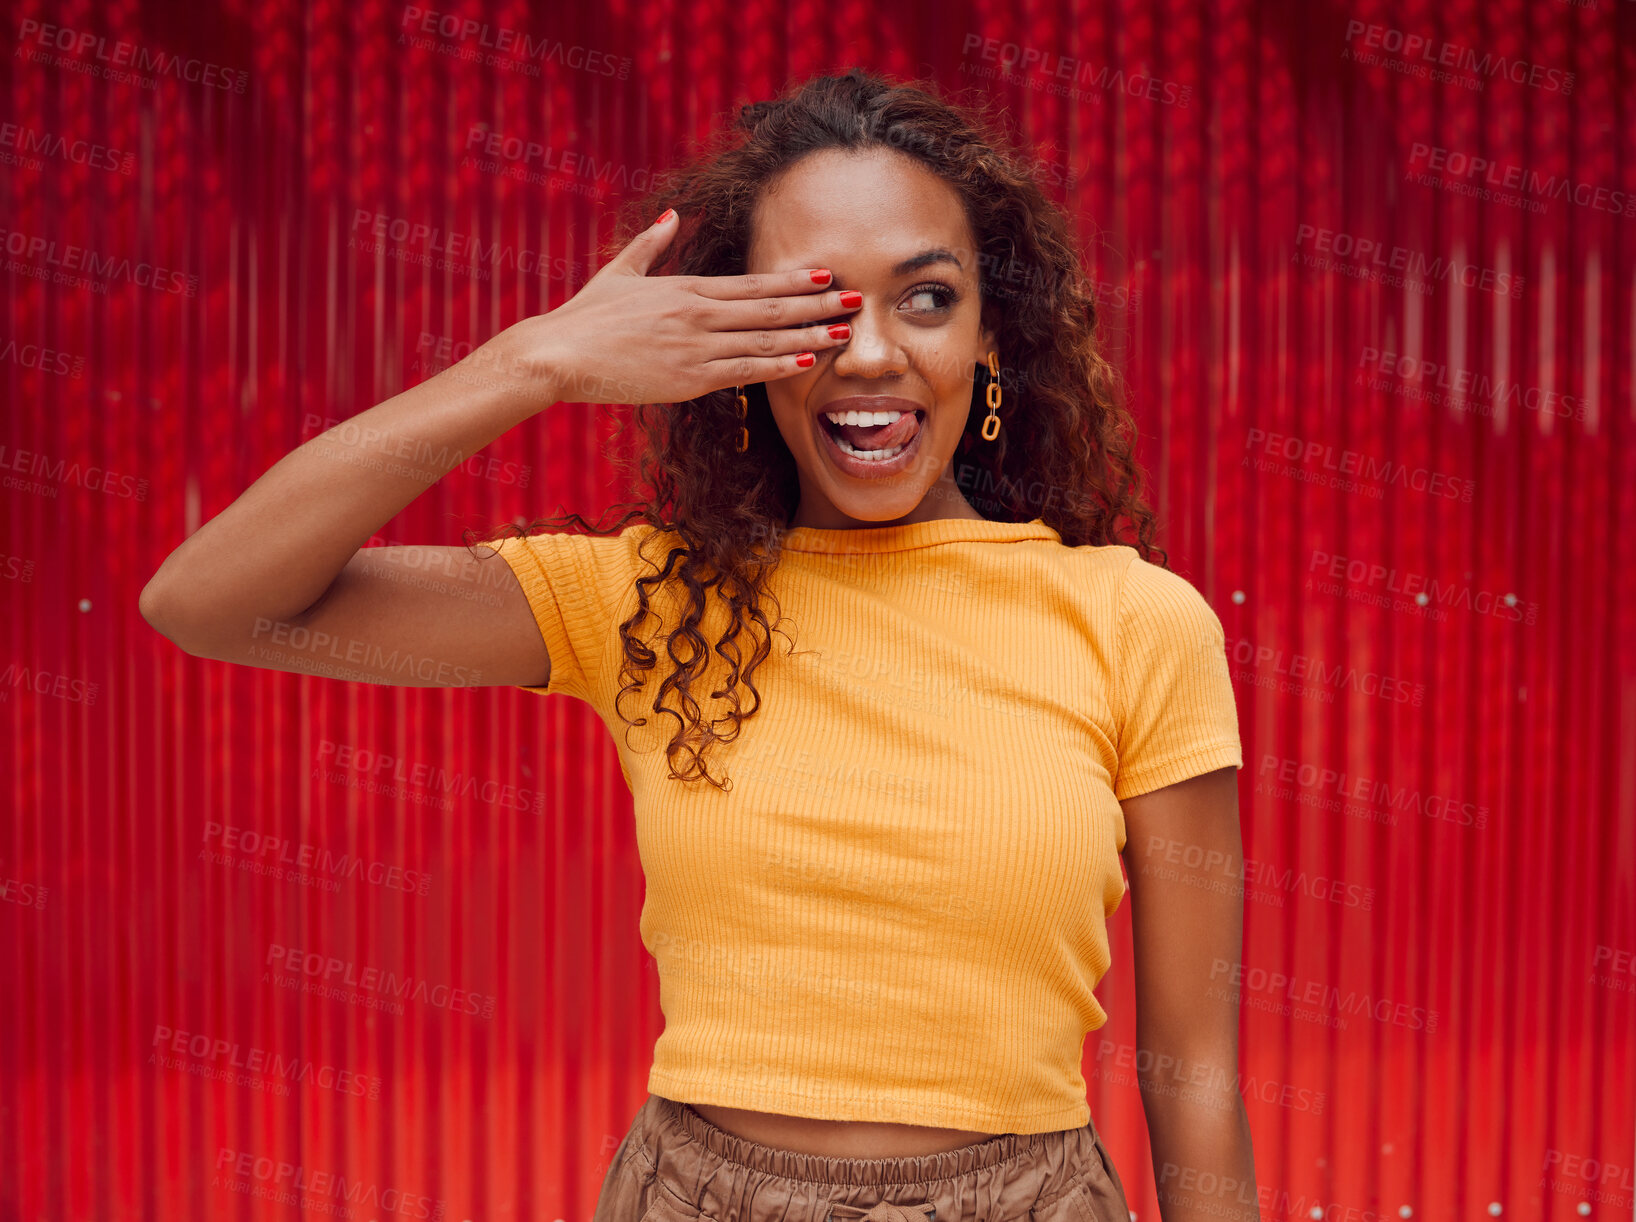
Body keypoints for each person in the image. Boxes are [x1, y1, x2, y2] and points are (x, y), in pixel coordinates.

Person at [140, 68, 1256, 1222]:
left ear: (990, 338)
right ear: (732, 340)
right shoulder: (651, 598)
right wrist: (533, 364)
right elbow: (209, 600)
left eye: (925, 298)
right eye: (813, 306)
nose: (868, 355)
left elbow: (1193, 1074)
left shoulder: (1135, 621)